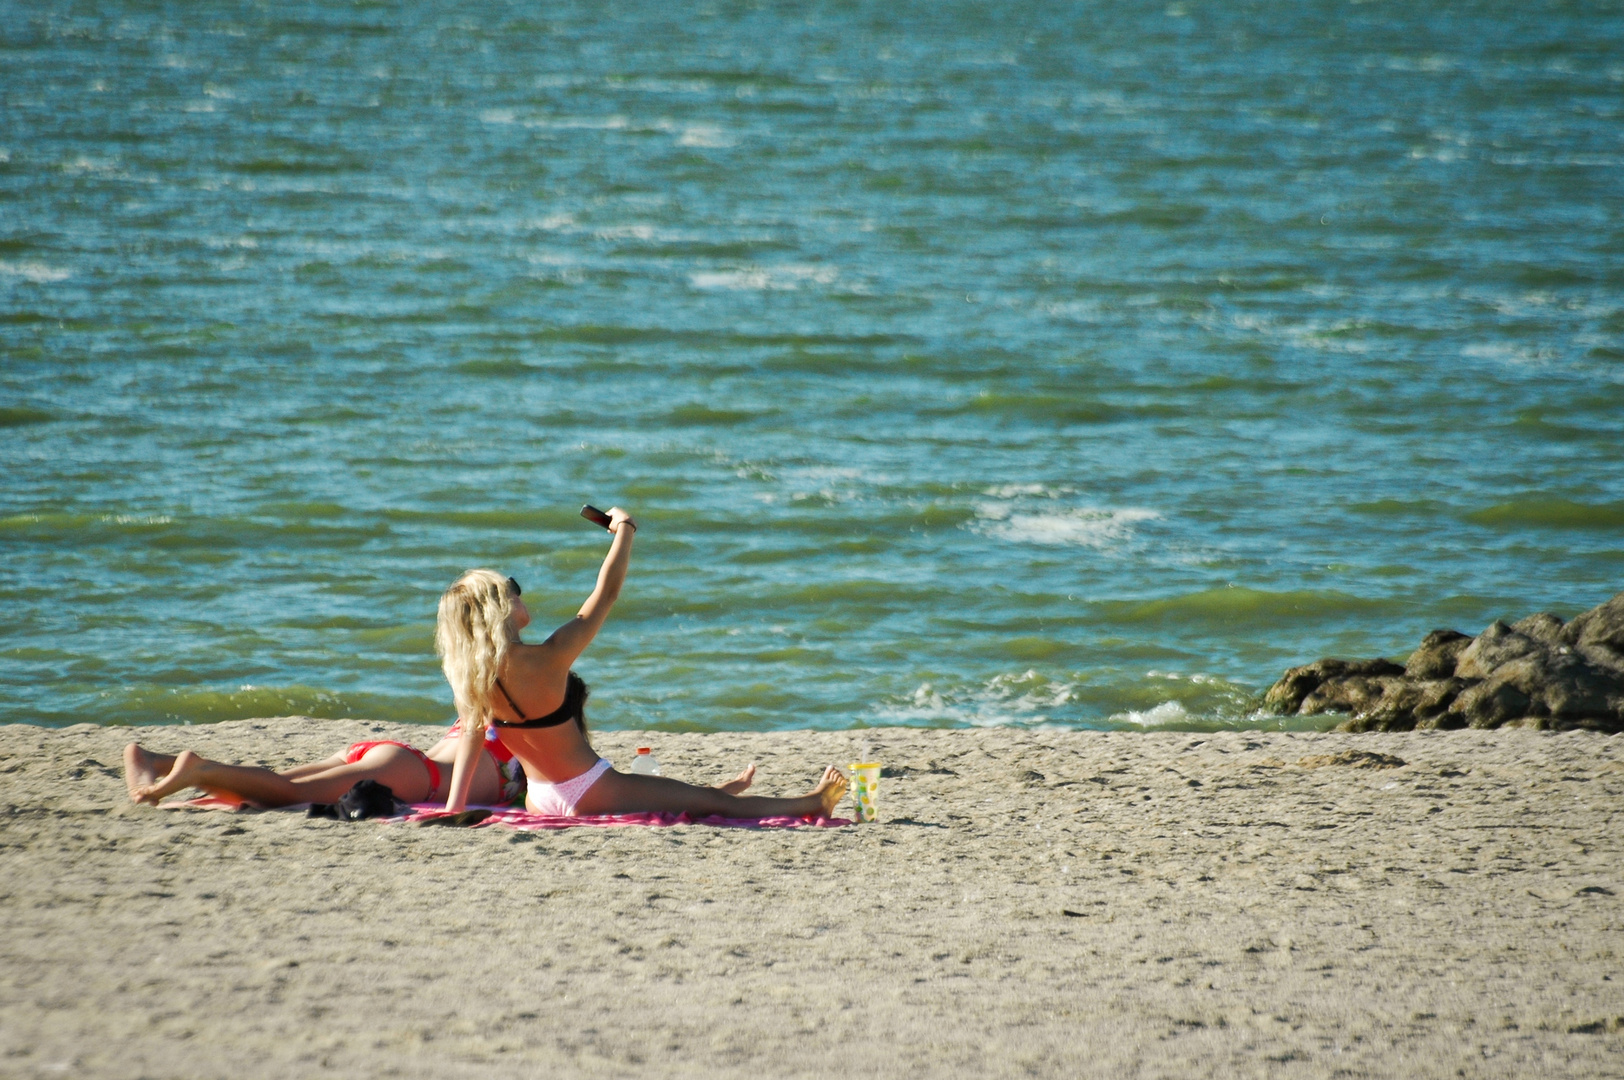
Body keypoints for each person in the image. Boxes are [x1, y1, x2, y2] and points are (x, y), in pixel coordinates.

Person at [437, 506, 848, 819]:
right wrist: (625, 530)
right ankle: (813, 802)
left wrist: (454, 808)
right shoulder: (548, 656)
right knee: (708, 804)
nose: (519, 593)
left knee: (694, 795)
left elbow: (471, 742)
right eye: (511, 589)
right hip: (589, 789)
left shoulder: (473, 679)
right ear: (497, 610)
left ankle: (707, 792)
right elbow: (607, 592)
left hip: (540, 797)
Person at [122, 718, 525, 809]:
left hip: (398, 758)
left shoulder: (482, 686)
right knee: (289, 794)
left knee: (269, 788)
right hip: (417, 775)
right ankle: (196, 770)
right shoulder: (513, 700)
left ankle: (154, 761)